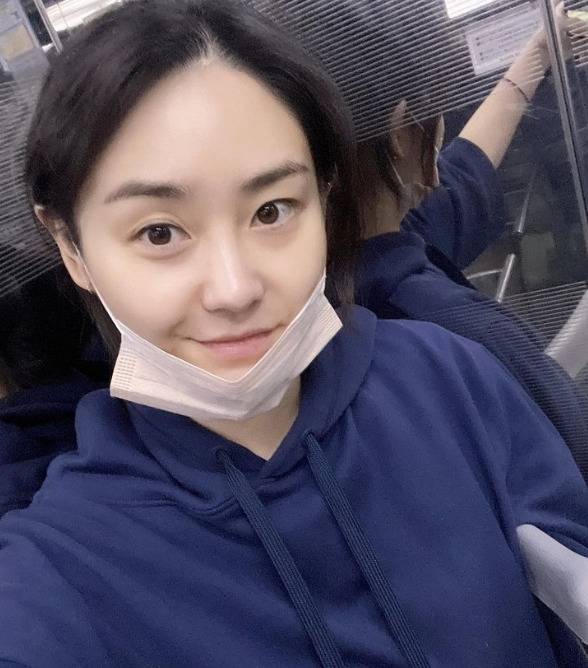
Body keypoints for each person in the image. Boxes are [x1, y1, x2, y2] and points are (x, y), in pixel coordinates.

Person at [0, 2, 586, 666]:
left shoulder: (453, 383)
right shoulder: (60, 573)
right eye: (159, 232)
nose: (234, 289)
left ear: (323, 198)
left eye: (273, 210)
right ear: (70, 246)